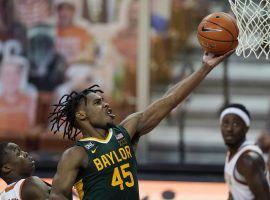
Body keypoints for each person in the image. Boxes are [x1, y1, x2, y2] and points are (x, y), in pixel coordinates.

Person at [49, 50, 233, 200]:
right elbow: (57, 196)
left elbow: (169, 100)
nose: (105, 104)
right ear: (81, 115)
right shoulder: (76, 154)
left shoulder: (125, 131)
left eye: (103, 101)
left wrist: (205, 68)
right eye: (97, 103)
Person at [220, 103, 270, 200]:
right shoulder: (233, 153)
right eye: (225, 123)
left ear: (246, 128)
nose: (229, 129)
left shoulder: (248, 160)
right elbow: (234, 192)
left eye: (235, 124)